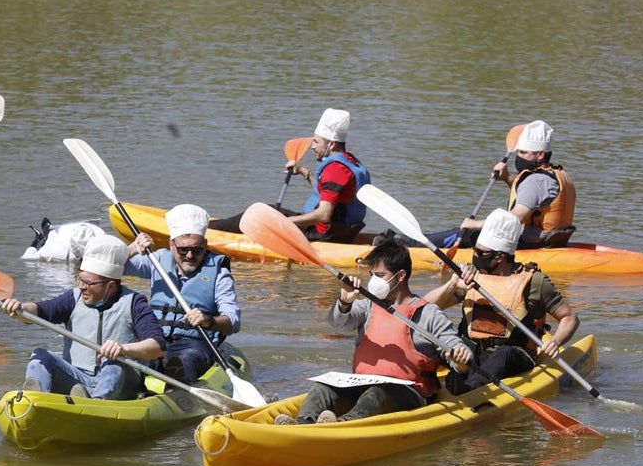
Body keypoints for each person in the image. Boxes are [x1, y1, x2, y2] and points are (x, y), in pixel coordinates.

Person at [276, 239, 472, 425]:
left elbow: (455, 348)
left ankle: (340, 426)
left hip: (408, 393)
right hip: (362, 385)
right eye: (371, 275)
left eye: (379, 276)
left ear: (401, 276)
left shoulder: (428, 313)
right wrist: (345, 301)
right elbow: (338, 324)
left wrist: (460, 356)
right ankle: (303, 424)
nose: (373, 282)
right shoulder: (368, 305)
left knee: (376, 394)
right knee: (322, 389)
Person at [423, 208, 580, 395]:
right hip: (473, 350)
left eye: (481, 253)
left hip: (514, 354)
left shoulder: (535, 281)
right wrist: (451, 285)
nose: (475, 256)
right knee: (443, 342)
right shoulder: (471, 277)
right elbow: (425, 307)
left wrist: (555, 342)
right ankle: (430, 382)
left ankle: (467, 389)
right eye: (475, 251)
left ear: (500, 256)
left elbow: (570, 318)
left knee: (502, 355)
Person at [0, 235, 166, 400]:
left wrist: (123, 349)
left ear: (110, 286)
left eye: (89, 283)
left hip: (121, 384)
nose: (82, 287)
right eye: (80, 279)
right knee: (40, 356)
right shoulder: (73, 298)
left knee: (114, 363)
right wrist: (20, 308)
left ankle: (95, 403)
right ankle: (34, 401)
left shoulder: (134, 303)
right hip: (78, 379)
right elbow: (41, 310)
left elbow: (157, 346)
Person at [209, 108, 372, 242]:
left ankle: (210, 231)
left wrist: (283, 223)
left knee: (261, 210)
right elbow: (332, 195)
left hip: (321, 235)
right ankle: (218, 225)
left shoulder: (335, 169)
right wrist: (304, 172)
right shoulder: (352, 163)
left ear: (331, 143)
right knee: (268, 210)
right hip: (341, 232)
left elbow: (324, 214)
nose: (312, 146)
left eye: (316, 141)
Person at [125, 204, 241, 383]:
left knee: (184, 361)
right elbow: (108, 269)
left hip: (194, 344)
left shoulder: (219, 272)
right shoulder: (156, 260)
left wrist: (208, 320)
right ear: (172, 246)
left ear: (205, 245)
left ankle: (177, 394)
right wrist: (130, 250)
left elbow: (232, 321)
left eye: (196, 250)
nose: (189, 255)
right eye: (183, 250)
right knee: (128, 360)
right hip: (153, 339)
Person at [440, 120, 576, 249]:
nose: (519, 157)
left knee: (460, 234)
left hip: (528, 244)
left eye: (523, 152)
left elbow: (512, 219)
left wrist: (474, 224)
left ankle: (419, 246)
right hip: (550, 242)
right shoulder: (555, 176)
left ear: (540, 154)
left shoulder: (536, 181)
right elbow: (532, 198)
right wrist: (506, 178)